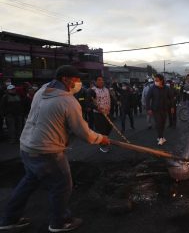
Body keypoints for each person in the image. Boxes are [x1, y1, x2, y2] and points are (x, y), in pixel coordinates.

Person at [0, 65, 110, 232]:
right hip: (47, 151)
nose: (78, 83)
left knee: (29, 181)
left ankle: (8, 219)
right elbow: (84, 133)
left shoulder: (42, 90)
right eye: (76, 80)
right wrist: (101, 138)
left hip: (27, 147)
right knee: (62, 185)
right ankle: (60, 222)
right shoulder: (67, 101)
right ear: (65, 79)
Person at [146, 74, 173, 145]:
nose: (155, 81)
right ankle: (161, 138)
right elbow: (147, 98)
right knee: (158, 123)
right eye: (155, 80)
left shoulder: (167, 88)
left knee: (163, 123)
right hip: (155, 109)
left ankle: (160, 136)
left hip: (164, 109)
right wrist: (148, 108)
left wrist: (172, 107)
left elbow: (171, 97)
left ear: (162, 80)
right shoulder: (152, 88)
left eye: (157, 80)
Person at [90, 76, 112, 153]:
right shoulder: (92, 90)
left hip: (107, 112)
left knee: (109, 127)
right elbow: (88, 102)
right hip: (98, 114)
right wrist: (96, 107)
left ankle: (105, 140)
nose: (101, 81)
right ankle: (103, 146)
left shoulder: (106, 89)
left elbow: (109, 99)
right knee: (102, 130)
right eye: (99, 80)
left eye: (102, 80)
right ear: (95, 81)